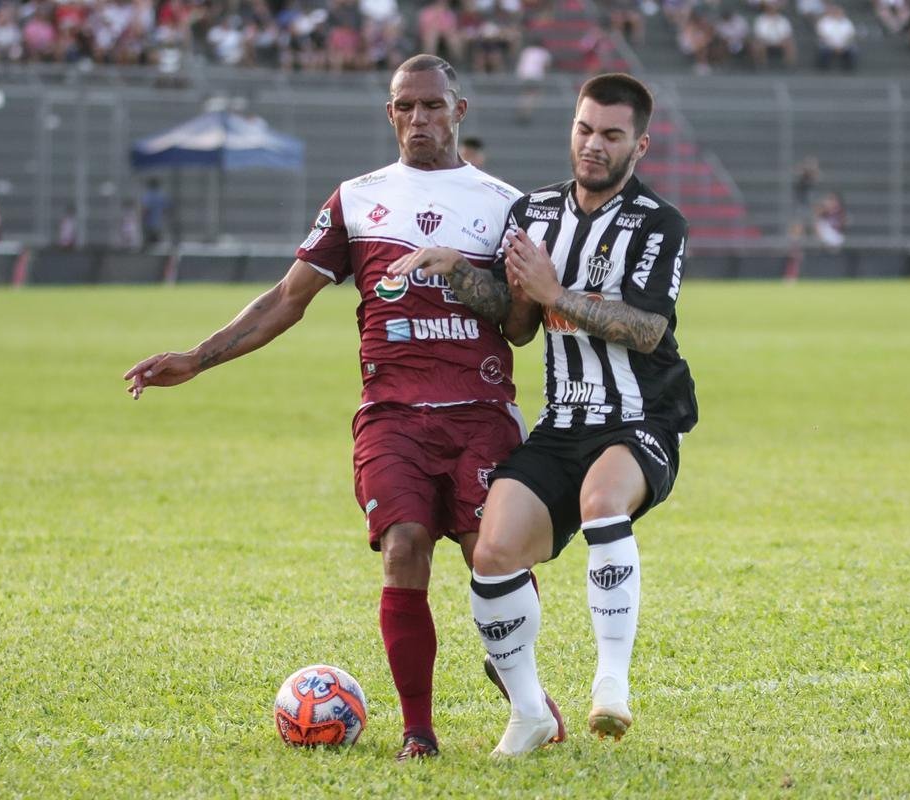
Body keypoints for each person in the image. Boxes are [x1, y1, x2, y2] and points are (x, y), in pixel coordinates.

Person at [123, 54, 564, 762]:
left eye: (430, 105)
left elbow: (517, 327)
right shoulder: (357, 199)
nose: (418, 119)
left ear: (459, 110)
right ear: (389, 114)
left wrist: (458, 267)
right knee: (403, 547)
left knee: (493, 557)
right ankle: (418, 731)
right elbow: (286, 299)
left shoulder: (503, 203)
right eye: (403, 107)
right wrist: (197, 358)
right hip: (391, 414)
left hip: (480, 412)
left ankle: (527, 695)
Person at [386, 73, 697, 757]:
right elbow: (521, 323)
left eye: (610, 135)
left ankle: (610, 683)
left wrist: (557, 288)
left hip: (640, 414)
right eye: (584, 129)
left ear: (638, 144)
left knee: (600, 501)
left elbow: (646, 329)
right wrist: (460, 275)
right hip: (563, 423)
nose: (592, 145)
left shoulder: (658, 225)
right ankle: (528, 712)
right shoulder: (535, 212)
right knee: (493, 552)